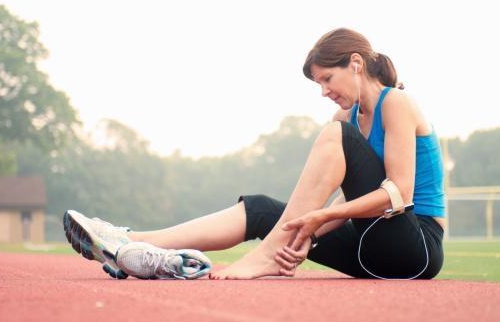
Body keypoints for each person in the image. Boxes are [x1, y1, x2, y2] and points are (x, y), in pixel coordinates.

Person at [63, 27, 445, 280]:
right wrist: (307, 236)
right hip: (368, 250)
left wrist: (321, 217)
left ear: (356, 64)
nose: (324, 91)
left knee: (335, 135)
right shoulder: (348, 117)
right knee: (262, 209)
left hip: (415, 250)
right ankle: (129, 243)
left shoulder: (396, 103)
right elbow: (353, 199)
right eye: (318, 84)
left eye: (327, 79)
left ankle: (266, 256)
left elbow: (398, 195)